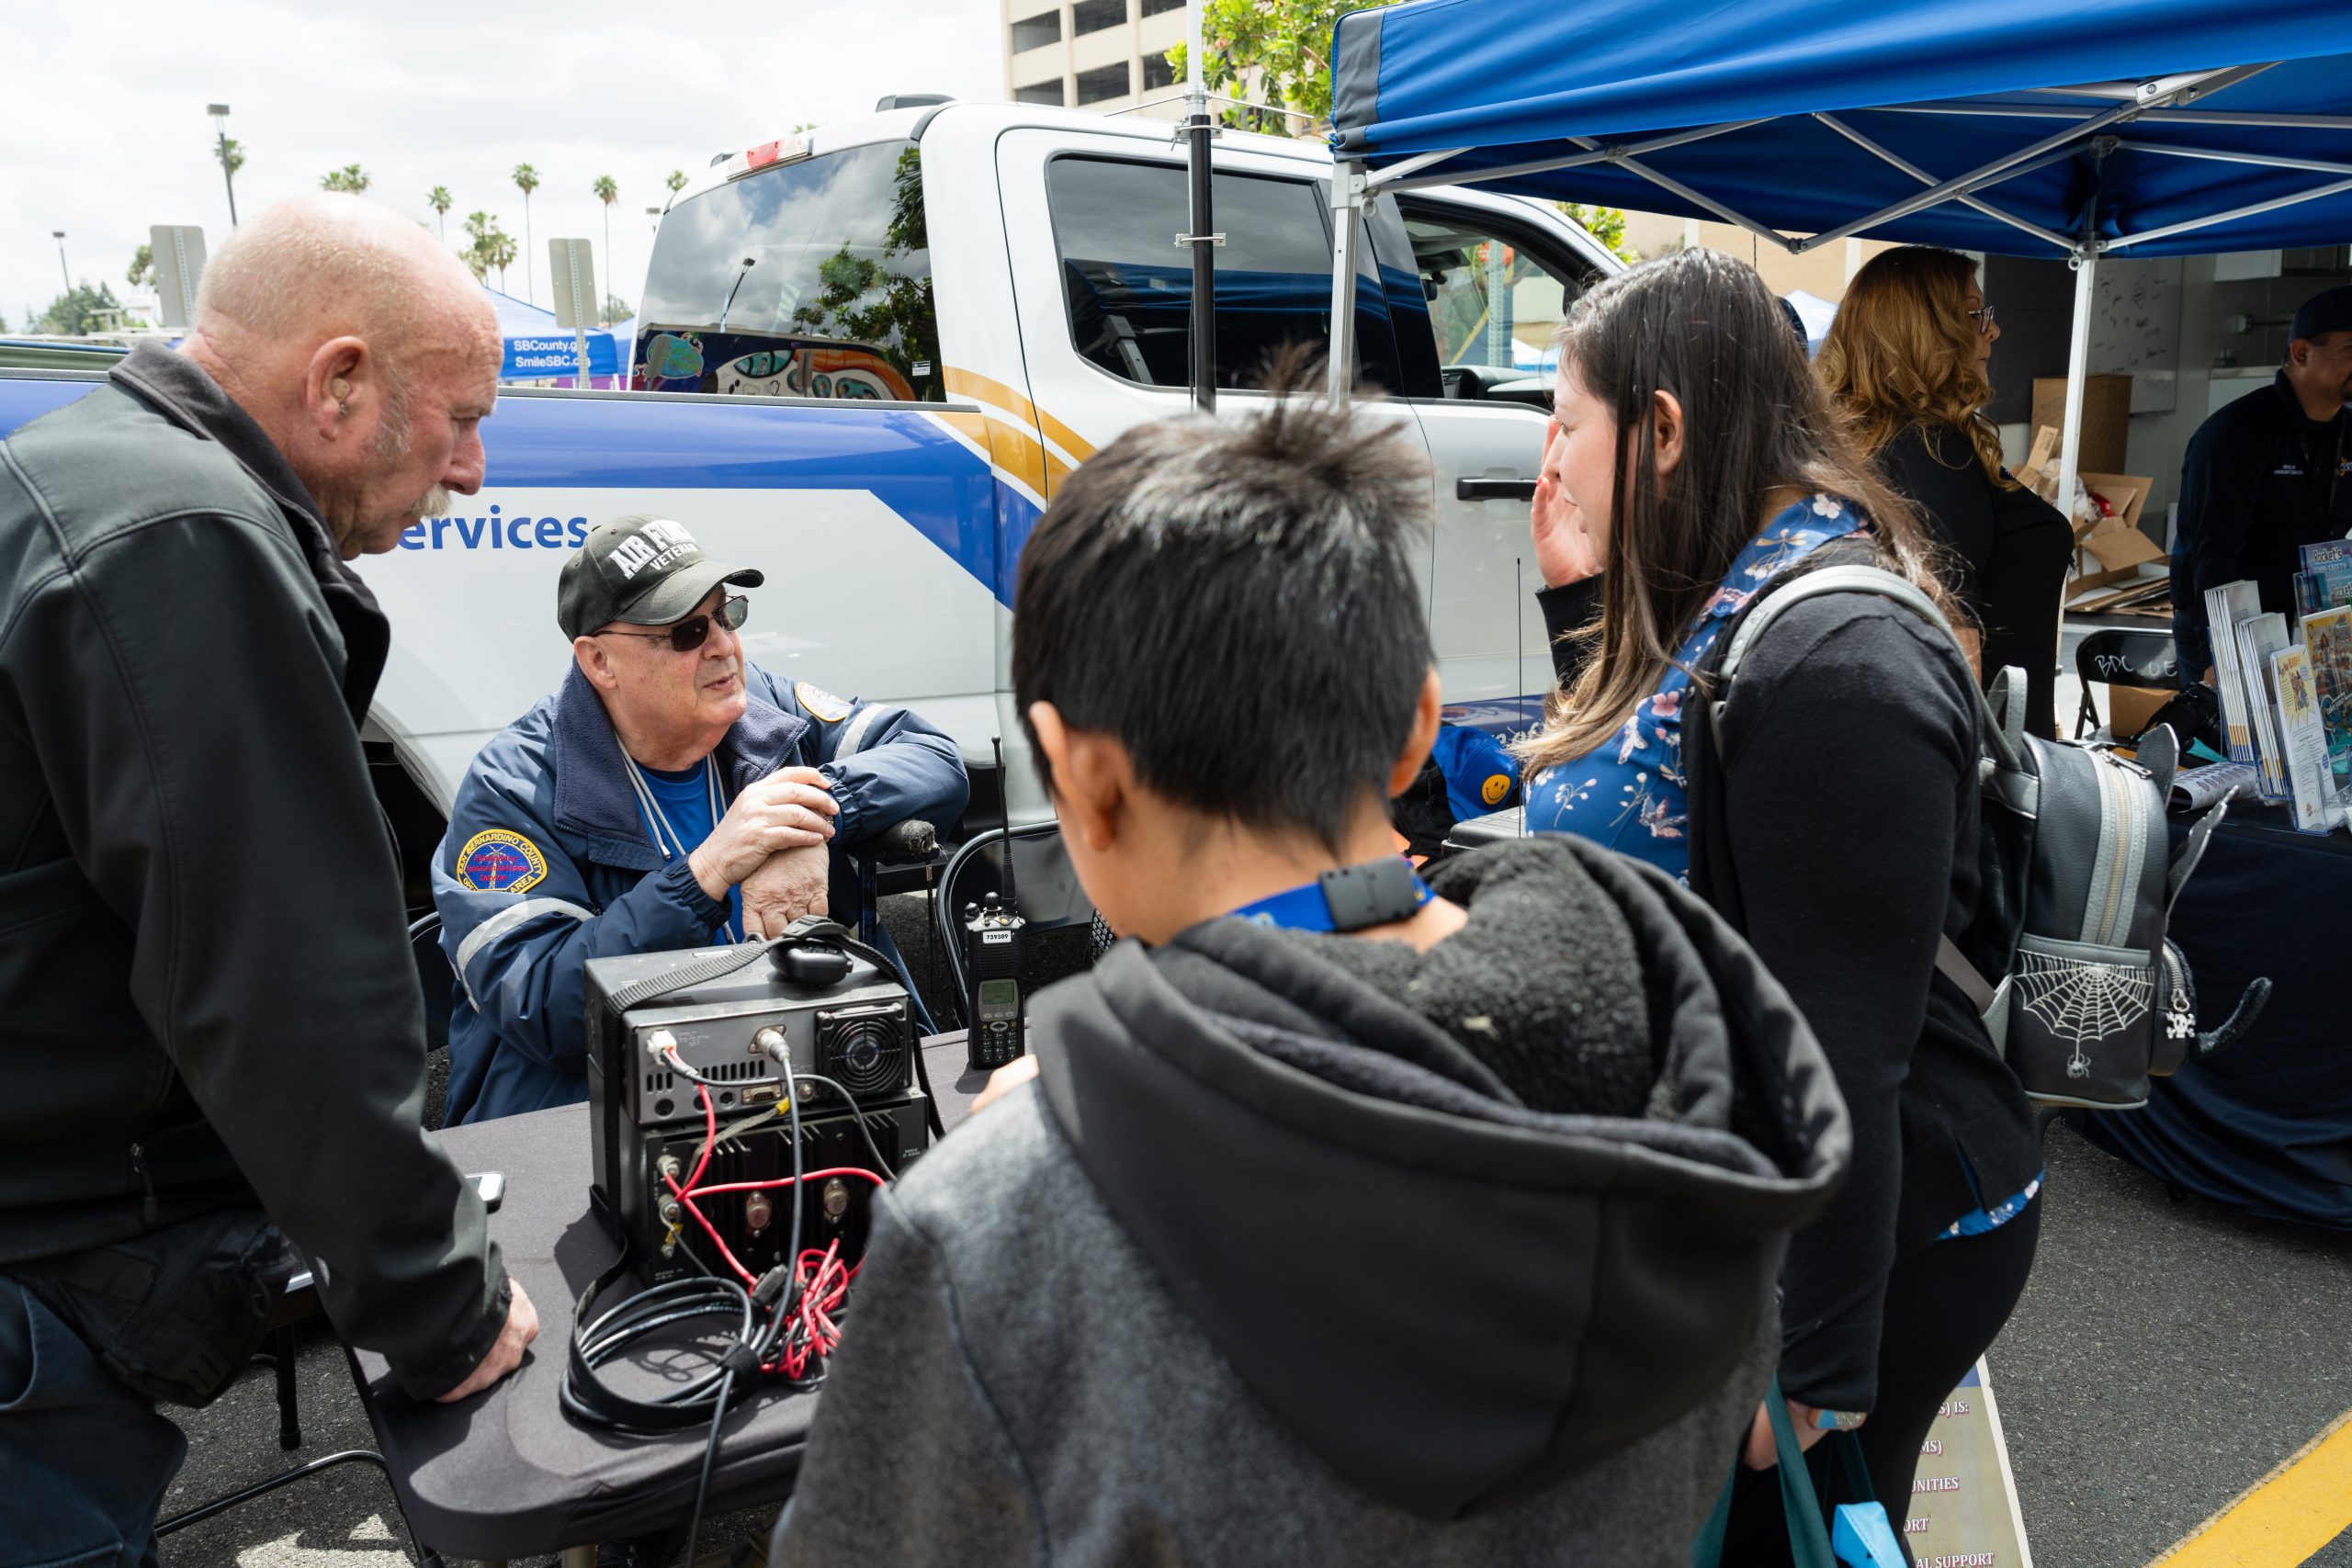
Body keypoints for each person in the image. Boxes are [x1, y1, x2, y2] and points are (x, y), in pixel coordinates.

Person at [771, 388, 1851, 1566]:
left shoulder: (999, 1228)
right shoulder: (1693, 1087)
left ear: (1079, 773)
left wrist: (1076, 1122)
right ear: (1414, 728)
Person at [0, 196, 537, 1563]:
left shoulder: (80, 470)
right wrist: (446, 1309)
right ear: (341, 378)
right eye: (460, 418)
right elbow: (288, 983)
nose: (473, 469)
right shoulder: (188, 533)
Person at [1515, 249, 2043, 1552]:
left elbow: (1842, 1047)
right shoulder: (1735, 577)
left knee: (1789, 1534)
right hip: (1745, 1191)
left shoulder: (1840, 665)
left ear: (1668, 428)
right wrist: (1577, 594)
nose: (1552, 456)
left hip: (1880, 1215)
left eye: (1568, 419)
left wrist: (1814, 1367)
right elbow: (1642, 785)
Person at [432, 513, 968, 1123]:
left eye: (726, 614)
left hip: (802, 1089)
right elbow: (542, 1004)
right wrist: (707, 873)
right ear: (599, 660)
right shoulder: (512, 786)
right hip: (598, 1126)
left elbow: (935, 758)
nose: (723, 645)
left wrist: (805, 817)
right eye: (687, 630)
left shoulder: (759, 703)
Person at [1818, 245, 2073, 737]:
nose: (1992, 330)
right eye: (1976, 314)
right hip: (1984, 758)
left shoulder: (1861, 441)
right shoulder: (1931, 448)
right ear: (1928, 334)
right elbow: (1953, 628)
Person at [2170, 284, 2352, 684]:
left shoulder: (2347, 433)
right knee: (2226, 747)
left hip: (2311, 626)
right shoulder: (2237, 433)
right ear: (2301, 352)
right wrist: (2216, 656)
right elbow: (2212, 553)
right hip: (2231, 631)